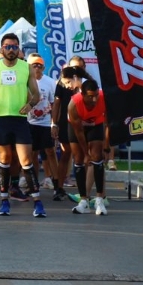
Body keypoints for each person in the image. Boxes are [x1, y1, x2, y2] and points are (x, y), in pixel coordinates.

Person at [0, 32, 44, 217]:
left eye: (14, 47)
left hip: (19, 119)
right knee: (5, 159)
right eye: (7, 47)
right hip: (0, 118)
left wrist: (30, 105)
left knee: (26, 160)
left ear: (19, 49)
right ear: (2, 48)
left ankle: (38, 202)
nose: (11, 50)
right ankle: (4, 201)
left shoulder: (27, 68)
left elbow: (36, 94)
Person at [68, 78, 109, 216]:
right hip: (78, 126)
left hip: (96, 123)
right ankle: (83, 200)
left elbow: (108, 123)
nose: (94, 99)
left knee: (97, 156)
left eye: (96, 95)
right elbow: (79, 132)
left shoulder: (104, 98)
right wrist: (86, 154)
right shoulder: (74, 104)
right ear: (83, 94)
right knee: (79, 158)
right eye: (90, 96)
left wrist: (106, 146)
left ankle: (99, 199)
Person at [25, 54, 60, 198]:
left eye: (40, 65)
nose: (37, 67)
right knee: (32, 154)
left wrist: (54, 124)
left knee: (50, 152)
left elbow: (54, 104)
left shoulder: (50, 82)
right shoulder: (25, 82)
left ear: (44, 67)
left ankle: (57, 186)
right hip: (30, 123)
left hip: (45, 123)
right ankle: (33, 185)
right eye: (34, 65)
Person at [50, 66, 86, 202]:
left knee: (82, 156)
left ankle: (85, 191)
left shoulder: (86, 85)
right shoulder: (61, 84)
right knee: (66, 154)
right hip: (66, 123)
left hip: (84, 124)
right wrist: (54, 124)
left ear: (75, 77)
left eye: (68, 83)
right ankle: (59, 188)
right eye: (64, 83)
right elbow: (57, 104)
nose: (67, 86)